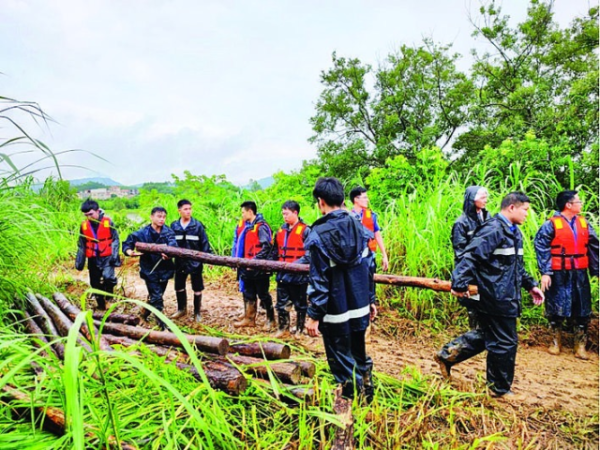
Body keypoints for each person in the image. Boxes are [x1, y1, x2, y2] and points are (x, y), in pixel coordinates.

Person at [434, 192, 544, 399]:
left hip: (506, 294)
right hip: (495, 296)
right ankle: (498, 389)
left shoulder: (513, 232)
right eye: (525, 210)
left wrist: (530, 285)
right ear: (511, 207)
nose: (527, 214)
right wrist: (459, 283)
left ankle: (448, 355)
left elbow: (516, 266)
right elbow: (470, 255)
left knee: (489, 335)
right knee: (505, 342)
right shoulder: (493, 230)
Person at [305, 177, 377, 402]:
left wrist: (314, 315)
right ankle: (368, 398)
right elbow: (369, 266)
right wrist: (371, 298)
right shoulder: (360, 227)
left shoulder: (318, 234)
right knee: (358, 352)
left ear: (320, 201)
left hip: (335, 311)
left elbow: (320, 280)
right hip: (360, 305)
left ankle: (351, 409)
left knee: (342, 362)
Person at [533, 190, 599, 360]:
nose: (581, 204)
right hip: (558, 272)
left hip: (579, 272)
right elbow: (541, 247)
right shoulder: (551, 224)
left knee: (582, 307)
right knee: (556, 305)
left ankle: (580, 345)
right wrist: (546, 272)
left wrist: (597, 270)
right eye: (578, 201)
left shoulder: (584, 223)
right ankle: (555, 341)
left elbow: (594, 247)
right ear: (568, 205)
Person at [122, 207, 177, 328]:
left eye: (164, 217)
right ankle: (162, 324)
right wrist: (129, 251)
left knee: (156, 295)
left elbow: (173, 244)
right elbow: (127, 243)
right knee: (157, 297)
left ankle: (142, 314)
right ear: (152, 217)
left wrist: (169, 253)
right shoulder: (142, 233)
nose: (162, 219)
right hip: (149, 269)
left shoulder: (168, 232)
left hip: (165, 269)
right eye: (159, 216)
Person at [450, 186, 490, 328]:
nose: (486, 200)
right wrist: (464, 277)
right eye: (482, 198)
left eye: (486, 197)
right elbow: (460, 252)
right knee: (473, 306)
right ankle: (474, 335)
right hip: (471, 271)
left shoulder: (487, 218)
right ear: (472, 200)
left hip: (487, 271)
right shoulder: (461, 223)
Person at [232, 201, 275, 329]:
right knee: (248, 293)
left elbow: (266, 246)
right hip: (247, 266)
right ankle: (249, 319)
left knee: (263, 294)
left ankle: (271, 320)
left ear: (250, 212)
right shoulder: (248, 226)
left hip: (259, 268)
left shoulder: (261, 226)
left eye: (243, 212)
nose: (242, 215)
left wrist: (255, 261)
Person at [271, 200, 310, 338]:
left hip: (299, 275)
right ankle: (283, 329)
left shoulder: (306, 230)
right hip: (282, 274)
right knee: (281, 304)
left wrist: (294, 266)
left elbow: (310, 254)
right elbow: (275, 251)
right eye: (283, 214)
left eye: (287, 214)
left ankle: (300, 329)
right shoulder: (281, 230)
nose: (284, 217)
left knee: (300, 304)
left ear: (295, 213)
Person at [170, 199, 213, 323]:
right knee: (179, 286)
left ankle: (197, 312)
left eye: (190, 209)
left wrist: (207, 259)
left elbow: (204, 243)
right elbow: (170, 243)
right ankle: (181, 309)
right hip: (179, 262)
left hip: (195, 262)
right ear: (179, 211)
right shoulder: (174, 226)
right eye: (185, 209)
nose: (188, 211)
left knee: (197, 287)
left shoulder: (197, 225)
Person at [75, 199, 121, 310]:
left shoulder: (108, 222)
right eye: (86, 215)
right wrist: (79, 262)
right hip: (93, 258)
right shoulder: (84, 226)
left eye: (91, 214)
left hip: (107, 256)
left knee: (108, 277)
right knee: (94, 283)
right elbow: (82, 244)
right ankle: (101, 306)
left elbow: (115, 239)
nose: (89, 217)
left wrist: (114, 255)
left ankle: (109, 295)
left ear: (97, 211)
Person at [349, 186, 389, 271]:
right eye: (364, 197)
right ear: (356, 199)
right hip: (354, 260)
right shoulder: (348, 218)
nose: (367, 200)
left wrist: (384, 255)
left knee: (371, 282)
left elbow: (377, 236)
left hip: (370, 257)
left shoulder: (370, 215)